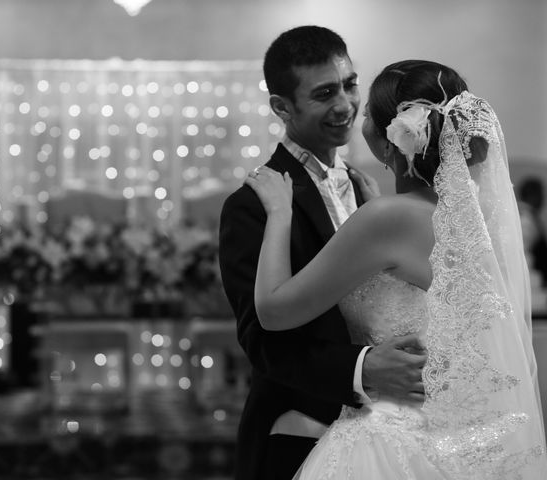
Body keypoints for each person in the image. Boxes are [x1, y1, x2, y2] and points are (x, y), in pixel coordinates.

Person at [245, 59, 547, 478]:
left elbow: (274, 312)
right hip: (454, 441)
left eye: (367, 111)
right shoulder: (474, 218)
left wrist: (279, 213)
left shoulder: (385, 219)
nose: (356, 115)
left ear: (392, 142)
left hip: (387, 440)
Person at [218, 26, 427, 480]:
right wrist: (362, 368)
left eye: (350, 84)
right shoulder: (253, 204)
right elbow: (260, 339)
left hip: (394, 438)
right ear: (281, 107)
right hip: (298, 435)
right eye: (324, 93)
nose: (345, 104)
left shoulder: (365, 187)